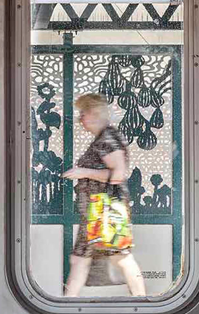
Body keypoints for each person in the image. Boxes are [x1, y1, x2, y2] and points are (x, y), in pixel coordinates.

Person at [61, 93, 146, 297]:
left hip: (105, 211)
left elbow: (118, 174)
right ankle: (66, 305)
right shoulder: (104, 137)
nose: (80, 118)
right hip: (96, 213)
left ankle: (142, 303)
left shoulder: (107, 138)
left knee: (121, 258)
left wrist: (83, 172)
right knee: (80, 260)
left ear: (94, 113)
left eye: (84, 113)